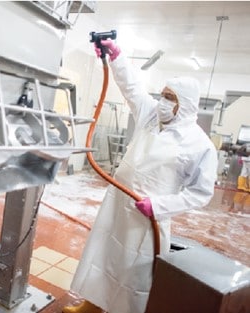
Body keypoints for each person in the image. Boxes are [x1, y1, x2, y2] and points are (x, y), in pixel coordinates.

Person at [63, 40, 218, 313]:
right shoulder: (150, 116)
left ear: (187, 104)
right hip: (117, 203)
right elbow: (132, 87)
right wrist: (117, 57)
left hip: (147, 218)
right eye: (163, 94)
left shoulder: (199, 145)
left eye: (171, 98)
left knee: (134, 270)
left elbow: (201, 193)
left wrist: (157, 206)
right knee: (104, 254)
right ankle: (93, 304)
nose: (163, 102)